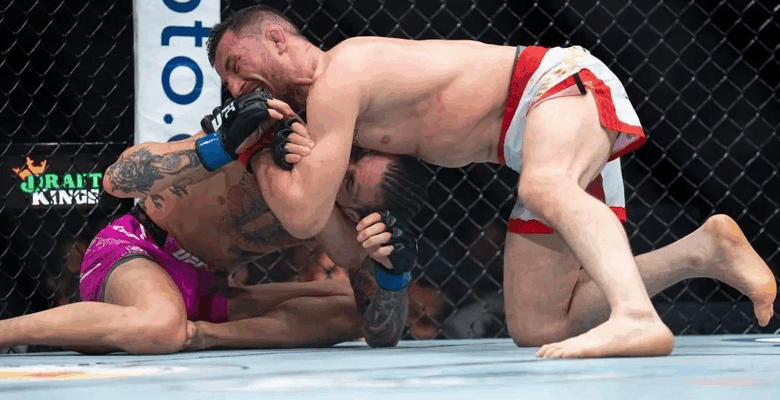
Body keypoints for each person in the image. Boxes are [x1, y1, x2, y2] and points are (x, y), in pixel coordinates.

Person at [205, 5, 777, 358]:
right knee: (538, 324)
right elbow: (330, 234)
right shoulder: (322, 114)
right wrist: (273, 148)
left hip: (554, 84)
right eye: (227, 81)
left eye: (235, 66)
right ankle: (704, 251)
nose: (235, 88)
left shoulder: (340, 72)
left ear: (276, 38)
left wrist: (254, 148)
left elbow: (304, 212)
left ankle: (637, 319)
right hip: (527, 137)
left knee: (545, 187)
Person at [0, 97, 429, 354]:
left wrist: (395, 276)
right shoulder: (270, 134)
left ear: (360, 211)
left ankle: (202, 336)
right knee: (160, 326)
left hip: (207, 290)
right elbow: (117, 179)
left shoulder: (341, 224)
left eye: (348, 184)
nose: (336, 170)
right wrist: (219, 145)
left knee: (349, 306)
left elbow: (380, 331)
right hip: (137, 249)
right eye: (349, 158)